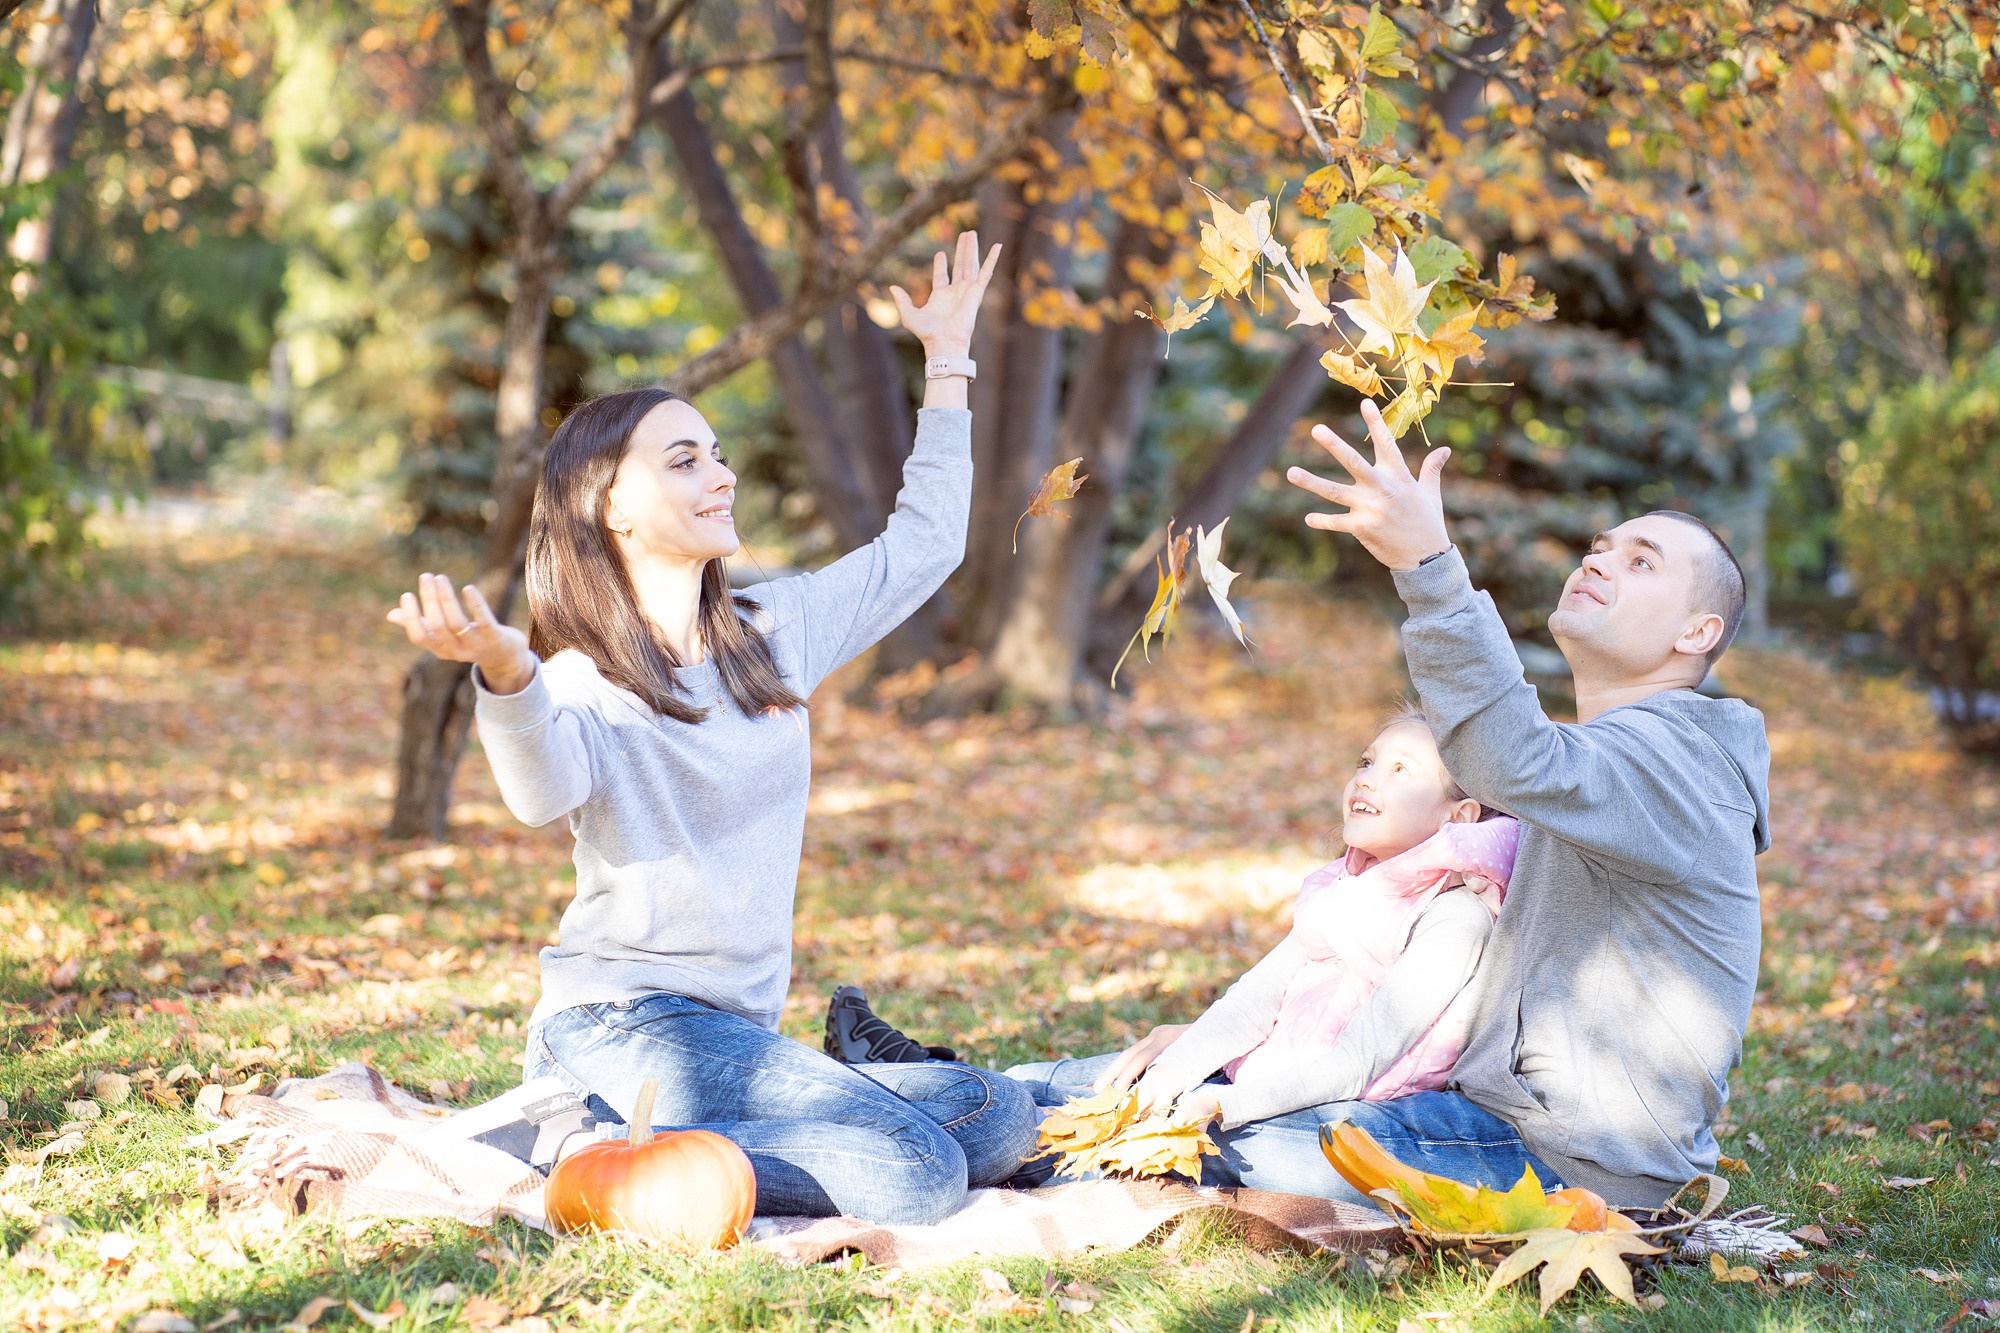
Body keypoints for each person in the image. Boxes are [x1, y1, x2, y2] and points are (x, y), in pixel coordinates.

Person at [384, 232, 1038, 1227]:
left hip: (737, 1037)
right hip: (617, 1024)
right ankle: (581, 1151)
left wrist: (946, 361)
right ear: (613, 506)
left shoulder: (777, 631)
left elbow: (926, 542)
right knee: (915, 1171)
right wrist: (505, 671)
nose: (719, 474)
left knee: (995, 1117)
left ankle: (659, 1132)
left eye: (718, 453)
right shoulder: (581, 679)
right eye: (684, 459)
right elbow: (539, 791)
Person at [1260, 398, 1771, 1210]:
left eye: (1642, 563)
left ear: (1698, 631)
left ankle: (990, 1112)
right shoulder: (1620, 756)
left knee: (1198, 1144)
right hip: (1501, 1123)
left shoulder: (1685, 762)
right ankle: (994, 1100)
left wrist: (1429, 565)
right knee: (1148, 1100)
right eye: (1600, 548)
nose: (1597, 561)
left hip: (1563, 1165)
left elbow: (1511, 757)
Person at [1004, 710, 1524, 1181]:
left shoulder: (1456, 917)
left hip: (1333, 1105)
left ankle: (973, 1134)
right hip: (1261, 1074)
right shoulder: (1349, 890)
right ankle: (954, 1094)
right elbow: (1257, 997)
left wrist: (1220, 1103)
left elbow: (1356, 1063)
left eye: (1400, 770)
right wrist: (1175, 1070)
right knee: (1050, 1082)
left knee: (1094, 1143)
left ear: (1458, 818)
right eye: (1367, 761)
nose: (1366, 776)